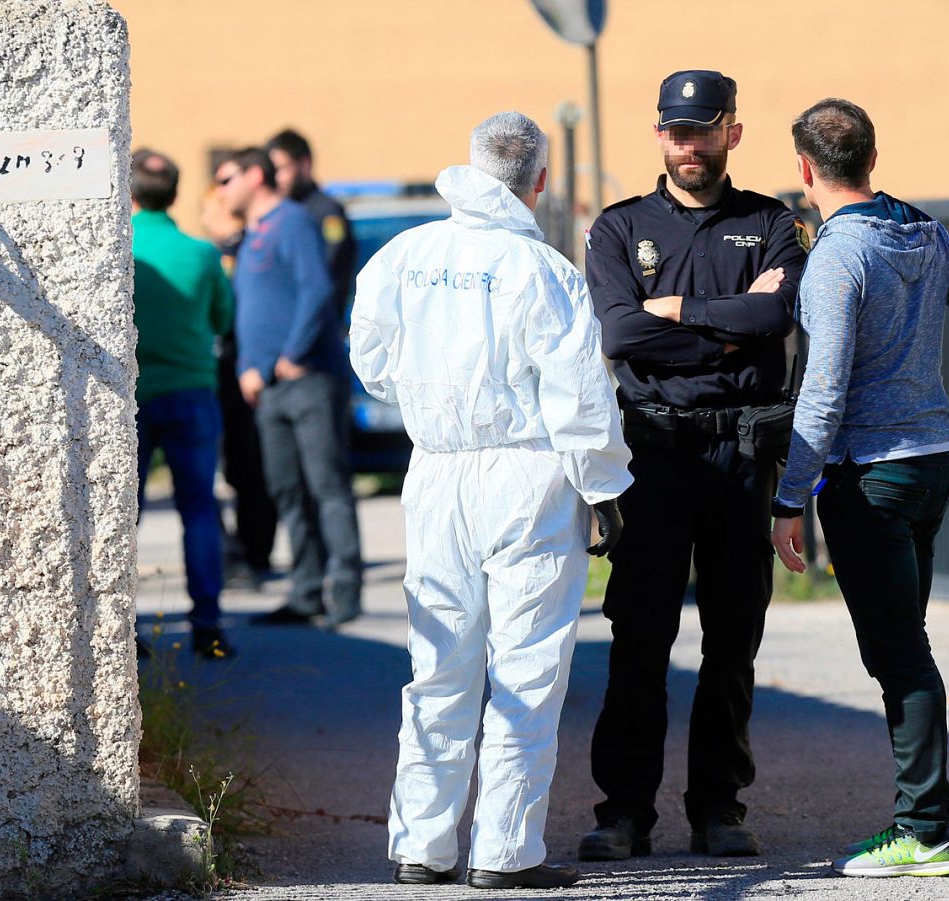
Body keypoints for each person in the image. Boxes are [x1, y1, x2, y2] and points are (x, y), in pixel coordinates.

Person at [351, 112, 632, 890]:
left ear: (471, 167)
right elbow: (580, 394)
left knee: (438, 659)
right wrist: (603, 488)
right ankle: (505, 851)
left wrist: (426, 396)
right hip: (528, 473)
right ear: (539, 181)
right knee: (526, 667)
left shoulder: (404, 256)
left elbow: (370, 363)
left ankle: (422, 844)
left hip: (437, 470)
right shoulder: (543, 270)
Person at [769, 98, 949, 878]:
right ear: (871, 158)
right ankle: (920, 819)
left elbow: (824, 388)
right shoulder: (923, 230)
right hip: (927, 465)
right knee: (905, 647)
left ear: (805, 169)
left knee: (900, 655)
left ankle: (927, 830)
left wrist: (789, 496)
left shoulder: (838, 255)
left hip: (870, 476)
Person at [581, 70, 807, 862]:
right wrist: (729, 329)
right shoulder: (619, 228)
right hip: (653, 451)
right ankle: (624, 812)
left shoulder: (770, 222)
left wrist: (676, 311)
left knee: (732, 638)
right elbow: (619, 335)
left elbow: (777, 315)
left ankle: (719, 806)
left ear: (731, 133)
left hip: (740, 451)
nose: (689, 146)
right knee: (640, 636)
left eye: (704, 130)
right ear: (659, 136)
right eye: (676, 132)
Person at [216, 147, 364, 628]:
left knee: (327, 486)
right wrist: (248, 367)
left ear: (254, 176)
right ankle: (305, 591)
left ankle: (345, 590)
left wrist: (292, 356)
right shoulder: (252, 234)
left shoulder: (293, 221)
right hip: (267, 388)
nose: (220, 190)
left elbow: (317, 288)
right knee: (287, 491)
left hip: (307, 379)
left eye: (226, 179)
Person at [130, 149, 237, 659]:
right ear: (174, 193)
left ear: (128, 191)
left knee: (122, 515)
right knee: (199, 511)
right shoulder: (201, 254)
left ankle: (123, 630)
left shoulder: (121, 249)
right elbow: (222, 319)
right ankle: (208, 626)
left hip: (130, 396)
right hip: (191, 391)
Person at [204, 158, 279, 589]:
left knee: (249, 468)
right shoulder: (222, 253)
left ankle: (251, 554)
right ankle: (240, 553)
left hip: (241, 375)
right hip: (224, 376)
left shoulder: (238, 252)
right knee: (235, 469)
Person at [266, 128, 359, 326]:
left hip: (318, 327)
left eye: (281, 169)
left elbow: (325, 268)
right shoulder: (278, 212)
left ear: (304, 164)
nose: (276, 178)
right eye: (272, 171)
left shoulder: (326, 212)